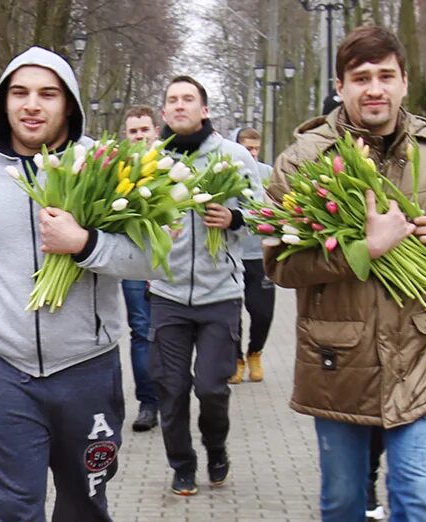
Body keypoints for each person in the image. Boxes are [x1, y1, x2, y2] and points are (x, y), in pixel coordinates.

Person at [0, 46, 160, 521]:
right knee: (13, 511)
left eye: (47, 94)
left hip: (88, 371)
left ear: (68, 103)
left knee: (84, 507)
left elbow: (151, 260)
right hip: (4, 372)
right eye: (20, 93)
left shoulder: (107, 168)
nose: (32, 104)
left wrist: (86, 243)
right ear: (2, 101)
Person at [264, 26, 426, 521]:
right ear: (340, 86)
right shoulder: (304, 162)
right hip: (338, 361)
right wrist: (364, 249)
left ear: (405, 82)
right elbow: (279, 262)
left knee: (416, 499)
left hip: (420, 354)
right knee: (343, 503)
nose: (375, 88)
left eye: (386, 75)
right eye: (361, 77)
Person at [149, 75, 256, 496]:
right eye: (172, 100)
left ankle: (216, 448)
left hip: (220, 294)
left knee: (211, 387)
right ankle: (182, 465)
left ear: (204, 109)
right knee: (170, 389)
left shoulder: (232, 156)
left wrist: (234, 220)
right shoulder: (150, 160)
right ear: (164, 112)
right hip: (167, 293)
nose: (179, 106)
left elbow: (262, 210)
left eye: (188, 99)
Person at [120, 105, 163, 432]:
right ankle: (148, 403)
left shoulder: (168, 165)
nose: (139, 136)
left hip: (168, 262)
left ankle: (172, 397)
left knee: (169, 333)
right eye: (133, 131)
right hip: (133, 262)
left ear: (155, 131)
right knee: (140, 330)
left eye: (144, 130)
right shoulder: (117, 169)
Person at [229, 127, 276, 384]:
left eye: (256, 148)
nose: (252, 153)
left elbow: (282, 205)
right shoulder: (226, 174)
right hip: (233, 255)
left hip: (261, 255)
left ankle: (255, 352)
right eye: (247, 148)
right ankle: (236, 360)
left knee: (262, 312)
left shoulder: (268, 173)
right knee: (231, 313)